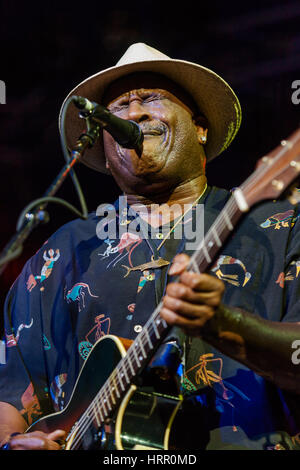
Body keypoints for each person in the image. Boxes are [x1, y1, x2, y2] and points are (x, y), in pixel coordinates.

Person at [1, 42, 300, 451]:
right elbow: (11, 389)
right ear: (105, 152)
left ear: (200, 127)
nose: (134, 113)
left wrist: (226, 327)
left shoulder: (276, 227)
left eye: (150, 99)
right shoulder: (62, 253)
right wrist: (13, 443)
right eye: (119, 107)